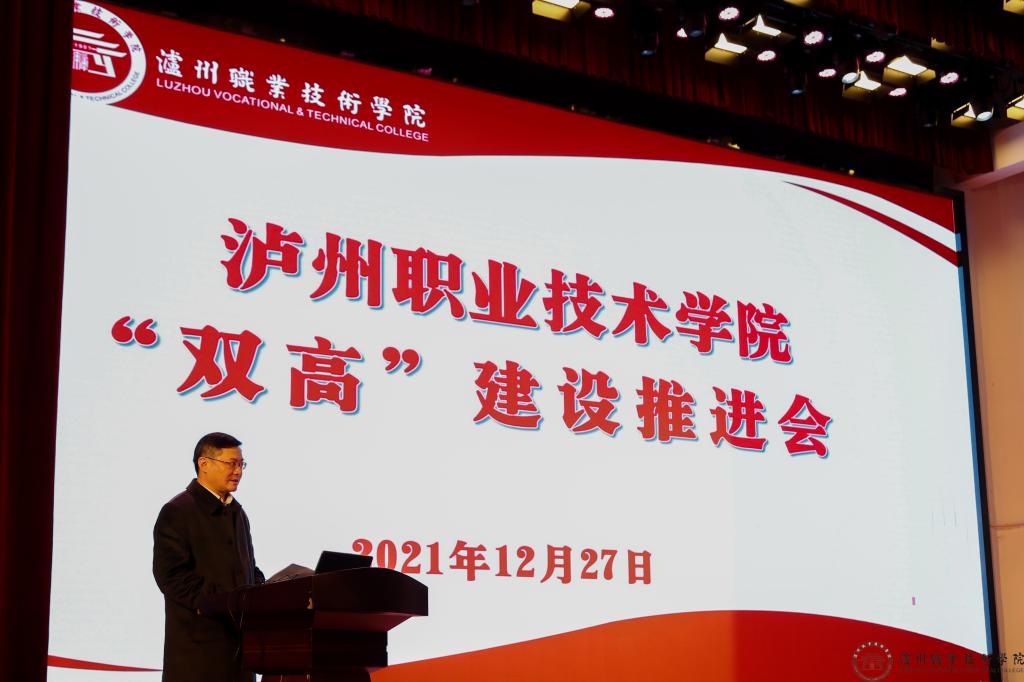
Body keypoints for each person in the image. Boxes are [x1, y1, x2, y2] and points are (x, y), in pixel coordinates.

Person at [153, 432, 264, 682]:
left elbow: (248, 567)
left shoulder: (237, 513)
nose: (238, 471)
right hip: (198, 657)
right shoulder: (177, 511)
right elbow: (172, 577)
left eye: (241, 464)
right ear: (204, 464)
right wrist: (223, 602)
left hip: (240, 656)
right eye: (231, 463)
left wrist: (261, 587)